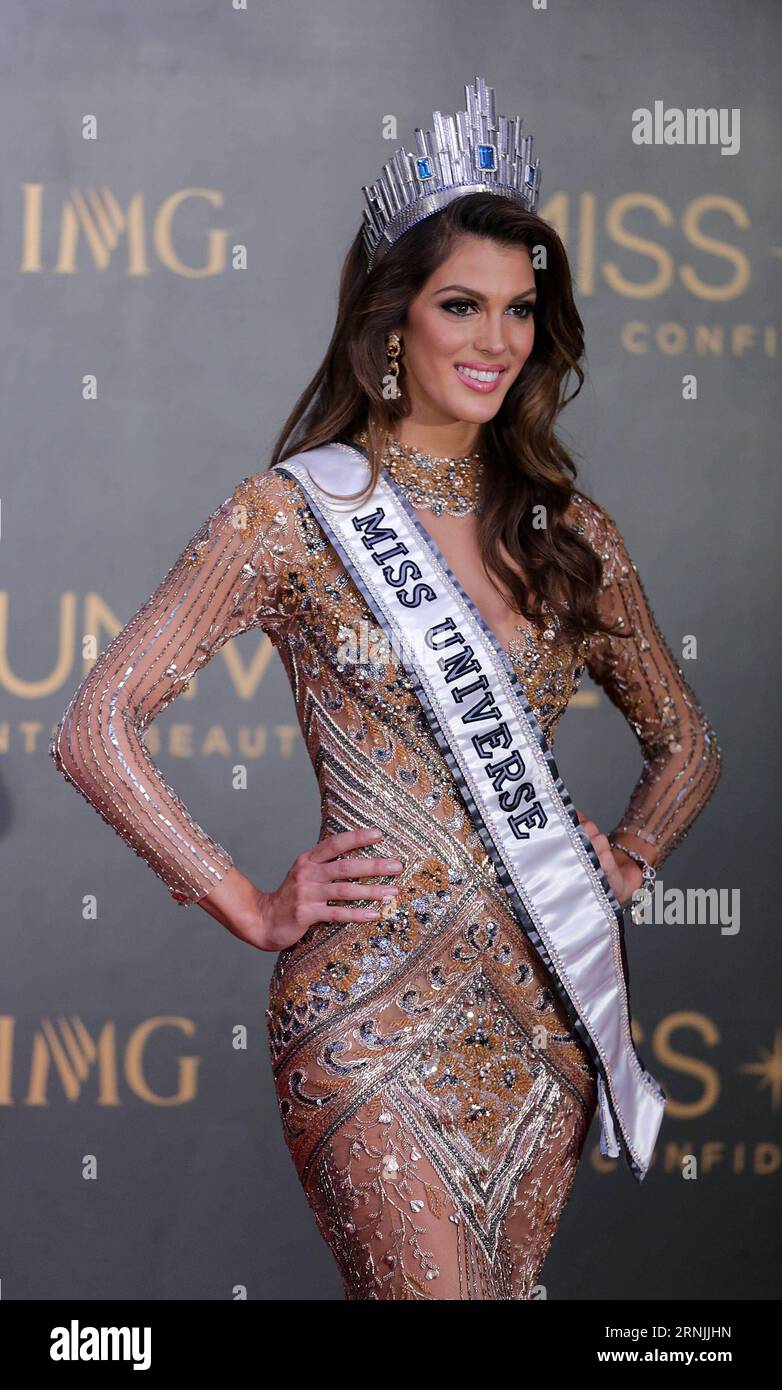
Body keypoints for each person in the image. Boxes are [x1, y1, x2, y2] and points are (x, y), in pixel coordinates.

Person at [50, 78, 721, 1300]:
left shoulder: (567, 531)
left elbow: (685, 746)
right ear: (389, 324)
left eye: (520, 309)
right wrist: (245, 901)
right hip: (365, 1011)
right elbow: (97, 726)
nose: (495, 339)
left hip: (539, 1016)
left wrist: (626, 856)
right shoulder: (296, 514)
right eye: (459, 304)